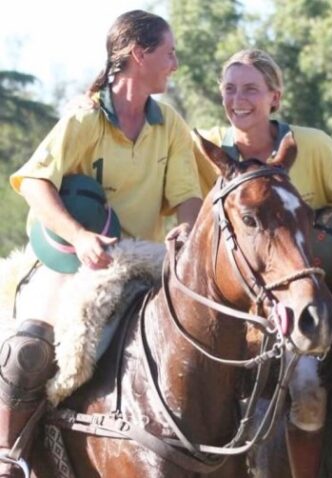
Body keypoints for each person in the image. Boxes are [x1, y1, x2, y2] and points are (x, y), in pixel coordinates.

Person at [0, 10, 202, 476]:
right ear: (139, 55)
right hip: (75, 262)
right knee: (28, 349)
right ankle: (9, 456)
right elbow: (34, 182)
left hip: (147, 261)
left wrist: (188, 232)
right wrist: (78, 235)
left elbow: (188, 196)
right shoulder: (85, 117)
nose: (174, 64)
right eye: (168, 54)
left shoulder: (168, 123)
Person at [194, 49, 332, 478]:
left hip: (298, 299)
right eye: (230, 88)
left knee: (306, 390)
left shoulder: (312, 145)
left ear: (274, 98)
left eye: (251, 88)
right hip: (225, 310)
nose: (238, 99)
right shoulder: (203, 148)